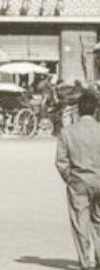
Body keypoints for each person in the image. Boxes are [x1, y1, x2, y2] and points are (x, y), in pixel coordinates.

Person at [56, 90, 100, 269]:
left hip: (78, 182)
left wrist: (69, 178)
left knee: (80, 222)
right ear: (96, 110)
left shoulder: (67, 132)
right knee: (99, 221)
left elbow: (61, 161)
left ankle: (86, 261)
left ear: (79, 110)